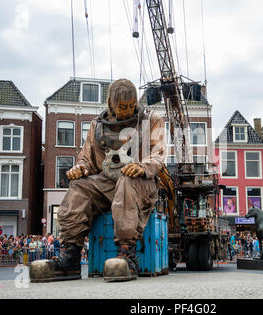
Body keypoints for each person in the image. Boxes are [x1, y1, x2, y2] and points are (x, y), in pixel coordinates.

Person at [29, 79, 166, 282]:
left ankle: (127, 254)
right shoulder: (97, 125)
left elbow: (159, 153)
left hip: (140, 183)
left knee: (127, 180)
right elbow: (87, 158)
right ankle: (71, 258)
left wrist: (142, 167)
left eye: (131, 106)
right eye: (122, 107)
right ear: (111, 103)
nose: (128, 111)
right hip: (107, 182)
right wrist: (81, 168)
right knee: (78, 188)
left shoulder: (152, 120)